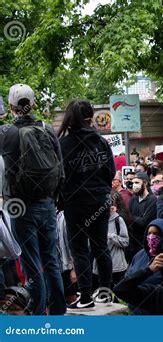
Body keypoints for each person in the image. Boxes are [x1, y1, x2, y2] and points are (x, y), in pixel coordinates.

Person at [0, 84, 66, 315]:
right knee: (51, 258)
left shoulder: (7, 133)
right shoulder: (47, 129)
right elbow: (60, 167)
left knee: (31, 261)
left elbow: (6, 171)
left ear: (11, 106)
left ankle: (37, 313)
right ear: (33, 104)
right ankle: (58, 310)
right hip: (47, 203)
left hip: (20, 207)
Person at [58, 100, 115, 311]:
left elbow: (60, 177)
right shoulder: (101, 141)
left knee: (79, 248)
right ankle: (106, 293)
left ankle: (85, 296)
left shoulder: (63, 144)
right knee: (101, 245)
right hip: (100, 199)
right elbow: (111, 171)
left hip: (76, 202)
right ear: (90, 117)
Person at [123, 218, 163, 314]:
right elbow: (127, 279)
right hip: (136, 310)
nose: (152, 237)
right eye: (149, 233)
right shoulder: (140, 255)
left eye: (156, 234)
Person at [92, 192, 129, 292]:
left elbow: (125, 241)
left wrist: (111, 236)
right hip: (99, 266)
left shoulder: (118, 220)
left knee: (117, 294)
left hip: (117, 266)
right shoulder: (95, 219)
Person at [127, 172, 157, 262]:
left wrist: (131, 217)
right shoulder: (133, 199)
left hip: (144, 242)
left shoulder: (152, 200)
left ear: (145, 183)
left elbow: (144, 222)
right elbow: (128, 216)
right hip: (132, 241)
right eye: (133, 183)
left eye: (137, 183)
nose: (134, 185)